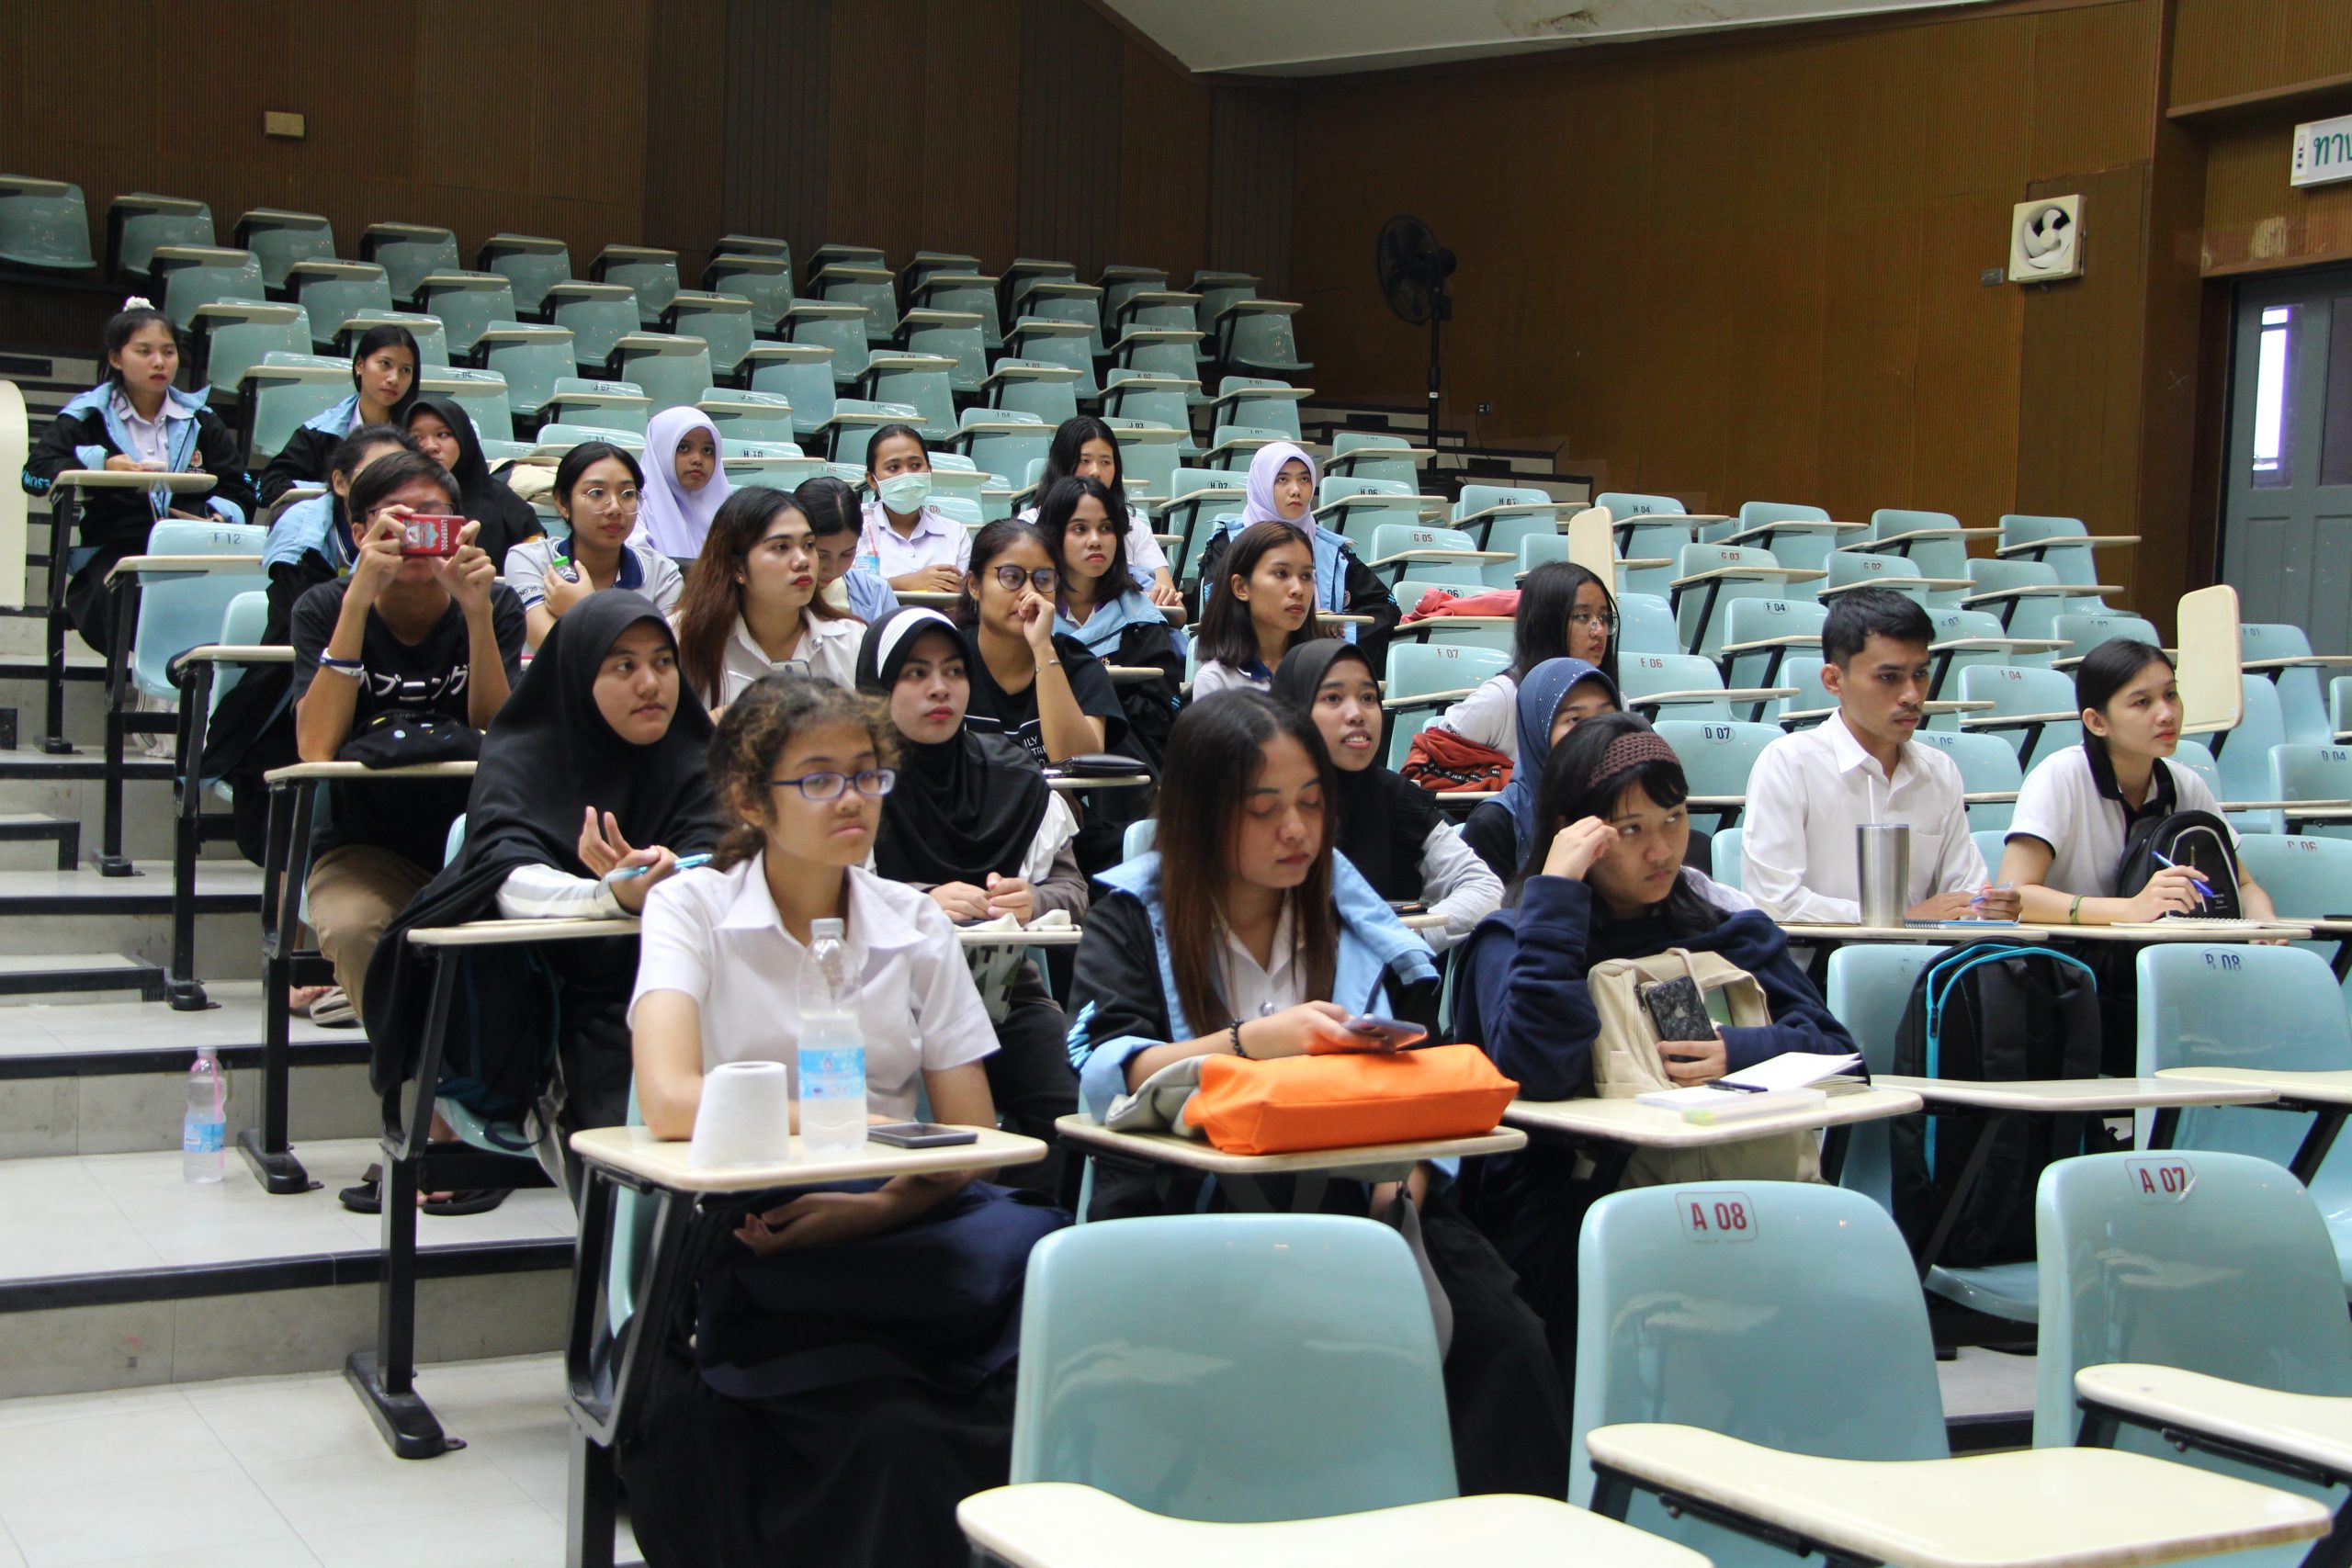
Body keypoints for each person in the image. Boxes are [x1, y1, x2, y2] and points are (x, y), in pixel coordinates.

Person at [1063, 688, 1570, 1498]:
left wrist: (1403, 1184)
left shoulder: (1352, 914)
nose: (1296, 829)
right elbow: (1105, 1068)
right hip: (1188, 1205)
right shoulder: (1132, 914)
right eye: (1264, 808)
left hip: (1359, 1197)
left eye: (1310, 802)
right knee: (1265, 1353)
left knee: (1503, 1339)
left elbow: (1419, 1069)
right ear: (1198, 813)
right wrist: (1249, 1042)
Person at [622, 674, 1065, 1567]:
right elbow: (669, 1100)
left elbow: (973, 1136)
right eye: (818, 779)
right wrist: (832, 1119)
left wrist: (880, 1201)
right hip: (757, 1224)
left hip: (903, 1214)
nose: (852, 799)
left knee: (1043, 1340)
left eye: (866, 774)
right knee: (886, 1431)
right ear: (752, 799)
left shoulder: (913, 921)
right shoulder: (691, 907)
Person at [1451, 712, 1857, 1376]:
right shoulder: (1517, 938)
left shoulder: (1724, 928)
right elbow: (1536, 1076)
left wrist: (1740, 1051)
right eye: (1631, 830)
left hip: (1739, 1185)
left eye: (1674, 819)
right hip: (1581, 1207)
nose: (1663, 850)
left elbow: (1839, 1052)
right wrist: (1557, 897)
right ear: (1575, 833)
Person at [361, 591, 720, 1145]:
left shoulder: (697, 755)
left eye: (663, 663)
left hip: (694, 987)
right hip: (556, 1001)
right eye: (624, 666)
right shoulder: (522, 756)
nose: (651, 684)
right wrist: (611, 897)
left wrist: (673, 879)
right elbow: (503, 875)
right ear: (577, 674)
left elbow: (725, 858)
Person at [288, 449, 526, 1029]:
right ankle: (418, 1068)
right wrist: (357, 599)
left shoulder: (494, 602)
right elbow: (316, 747)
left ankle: (447, 1063)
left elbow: (501, 730)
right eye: (398, 518)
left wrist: (474, 613)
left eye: (432, 517)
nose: (417, 534)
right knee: (353, 927)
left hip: (477, 838)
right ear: (359, 532)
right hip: (364, 846)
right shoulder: (323, 607)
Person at [858, 607, 1082, 1178]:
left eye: (954, 672)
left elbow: (1072, 887)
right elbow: (821, 889)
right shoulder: (850, 782)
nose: (940, 689)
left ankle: (1032, 1220)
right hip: (876, 999)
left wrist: (1033, 900)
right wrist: (920, 901)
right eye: (915, 673)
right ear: (878, 688)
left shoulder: (1011, 775)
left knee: (1073, 1111)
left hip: (999, 995)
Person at [203, 424, 414, 872]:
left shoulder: (424, 537)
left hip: (397, 694)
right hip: (294, 695)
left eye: (400, 475)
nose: (390, 488)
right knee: (295, 833)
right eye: (376, 474)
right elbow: (309, 624)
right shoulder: (301, 541)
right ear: (340, 482)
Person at [1743, 589, 2021, 923]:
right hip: (1817, 956)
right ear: (1834, 680)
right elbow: (1774, 903)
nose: (1912, 695)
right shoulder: (1789, 763)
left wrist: (1987, 908)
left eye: (1920, 674)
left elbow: (1965, 892)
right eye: (1889, 677)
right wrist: (1902, 918)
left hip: (1929, 954)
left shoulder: (1939, 771)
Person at [22, 299, 258, 654]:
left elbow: (240, 490)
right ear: (116, 358)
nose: (159, 362)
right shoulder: (87, 415)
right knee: (127, 594)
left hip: (193, 547)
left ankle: (192, 678)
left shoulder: (201, 419)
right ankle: (149, 675)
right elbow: (34, 473)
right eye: (144, 351)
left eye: (168, 351)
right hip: (117, 548)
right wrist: (98, 466)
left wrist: (217, 518)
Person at [2001, 639, 2278, 927]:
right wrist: (2129, 910)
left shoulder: (2186, 783)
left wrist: (2264, 923)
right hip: (2068, 952)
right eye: (2142, 702)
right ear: (2097, 722)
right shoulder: (2059, 776)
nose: (2167, 714)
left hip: (2161, 949)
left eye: (2171, 694)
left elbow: (2243, 885)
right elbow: (2014, 895)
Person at [1271, 639, 1502, 948]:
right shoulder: (1259, 806)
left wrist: (1399, 938)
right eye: (1333, 698)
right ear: (1293, 711)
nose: (1357, 714)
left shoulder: (1394, 796)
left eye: (1368, 697)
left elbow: (1484, 888)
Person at [1193, 439, 1398, 671]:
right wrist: (1306, 626)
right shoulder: (1228, 543)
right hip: (1247, 665)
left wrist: (1340, 628)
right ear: (1261, 484)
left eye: (1304, 479)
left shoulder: (1332, 550)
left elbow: (1386, 607)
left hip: (1320, 668)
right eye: (1282, 479)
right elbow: (1217, 611)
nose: (1296, 490)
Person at [674, 486, 864, 711]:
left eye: (809, 545)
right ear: (737, 568)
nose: (803, 560)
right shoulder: (682, 636)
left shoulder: (851, 639)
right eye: (781, 547)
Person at [955, 520, 1125, 766]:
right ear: (974, 585)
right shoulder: (948, 657)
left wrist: (1043, 648)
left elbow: (1079, 763)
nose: (1029, 593)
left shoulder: (1077, 664)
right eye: (1011, 577)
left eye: (1043, 579)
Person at [1428, 561, 1620, 762]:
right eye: (1582, 616)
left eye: (1604, 617)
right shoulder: (1500, 698)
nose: (1600, 631)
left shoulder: (1614, 699)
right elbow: (1430, 760)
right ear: (1546, 623)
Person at [502, 443, 683, 650]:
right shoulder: (530, 560)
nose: (615, 508)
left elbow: (657, 658)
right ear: (562, 502)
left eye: (627, 494)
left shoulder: (662, 575)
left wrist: (584, 607)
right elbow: (549, 650)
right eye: (596, 493)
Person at [1459, 656, 1623, 884]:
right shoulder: (1494, 825)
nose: (1597, 731)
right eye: (1575, 719)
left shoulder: (1632, 802)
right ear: (1538, 731)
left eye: (1606, 716)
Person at [1017, 415, 1183, 617]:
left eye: (1105, 462)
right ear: (1062, 464)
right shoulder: (1030, 525)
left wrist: (1163, 598)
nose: (1095, 471)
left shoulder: (1133, 526)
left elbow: (1176, 609)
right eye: (1084, 461)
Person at [257, 322, 419, 503]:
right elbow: (270, 485)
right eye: (385, 364)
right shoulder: (322, 431)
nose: (394, 379)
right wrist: (337, 491)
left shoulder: (418, 433)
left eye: (405, 370)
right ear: (360, 365)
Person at [402, 393, 539, 570]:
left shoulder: (501, 498)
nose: (430, 446)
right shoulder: (393, 499)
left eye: (442, 434)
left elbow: (538, 564)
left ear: (463, 438)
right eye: (416, 438)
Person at [1188, 518, 1322, 697]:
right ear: (1241, 587)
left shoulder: (1326, 669)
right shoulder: (1217, 679)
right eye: (1281, 573)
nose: (1298, 589)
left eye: (1306, 576)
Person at [859, 423, 969, 593]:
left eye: (916, 465)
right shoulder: (853, 524)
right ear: (872, 480)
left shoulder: (955, 533)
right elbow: (841, 589)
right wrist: (904, 583)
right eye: (893, 468)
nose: (907, 475)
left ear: (929, 470)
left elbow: (964, 598)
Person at [797, 473, 899, 623]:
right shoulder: (767, 598)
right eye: (822, 555)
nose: (833, 569)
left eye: (846, 554)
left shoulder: (876, 593)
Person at [633, 406, 732, 559]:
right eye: (684, 448)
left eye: (707, 450)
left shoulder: (731, 508)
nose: (697, 460)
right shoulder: (635, 506)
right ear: (660, 450)